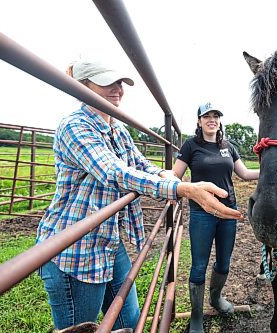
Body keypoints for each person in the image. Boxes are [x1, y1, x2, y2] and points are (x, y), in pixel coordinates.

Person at [36, 59, 242, 332]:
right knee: (83, 327)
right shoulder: (75, 126)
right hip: (74, 248)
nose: (118, 89)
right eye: (108, 82)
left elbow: (141, 165)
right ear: (83, 86)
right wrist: (182, 188)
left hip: (108, 240)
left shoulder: (117, 129)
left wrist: (167, 176)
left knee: (129, 322)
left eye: (120, 83)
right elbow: (114, 171)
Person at [172, 102, 259, 333]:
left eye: (216, 116)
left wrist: (271, 169)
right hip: (202, 213)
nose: (212, 119)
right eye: (207, 116)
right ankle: (197, 317)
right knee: (199, 265)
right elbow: (174, 176)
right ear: (199, 121)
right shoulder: (191, 146)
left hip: (228, 212)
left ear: (220, 121)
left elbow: (245, 174)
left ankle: (216, 298)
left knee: (224, 262)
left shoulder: (228, 147)